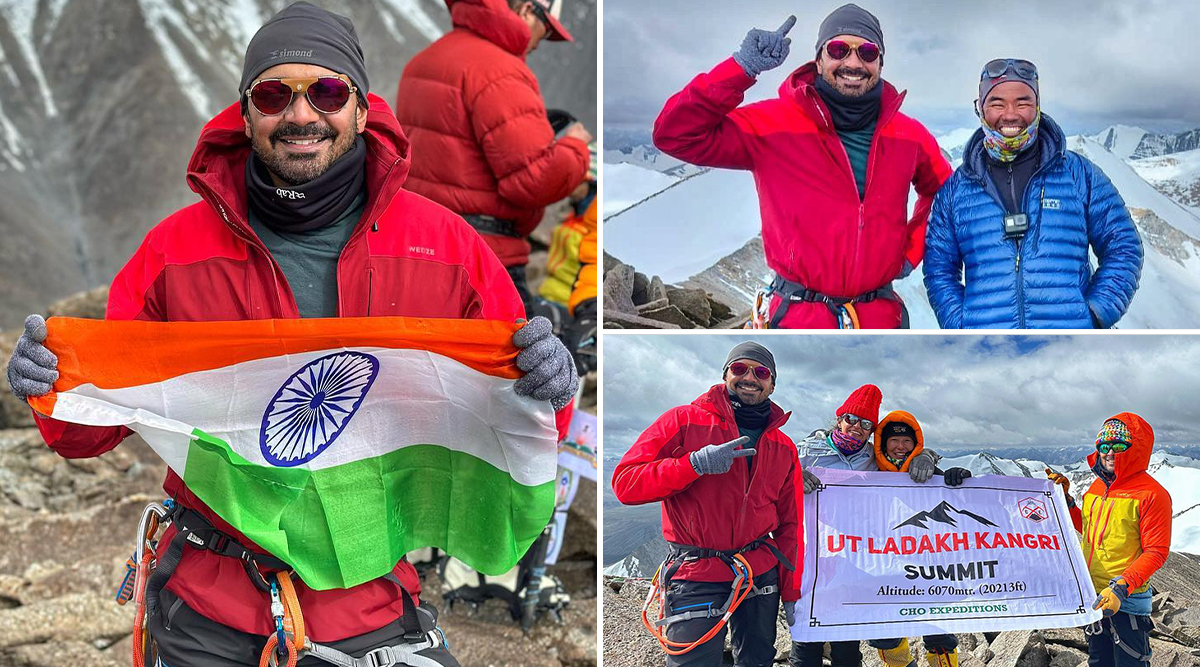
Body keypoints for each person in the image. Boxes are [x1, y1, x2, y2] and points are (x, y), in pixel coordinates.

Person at [4, 3, 578, 666]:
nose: (302, 115)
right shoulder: (172, 256)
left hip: (371, 599)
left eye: (328, 92)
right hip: (208, 606)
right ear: (246, 114)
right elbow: (89, 428)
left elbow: (524, 414)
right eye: (274, 95)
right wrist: (48, 381)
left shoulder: (447, 249)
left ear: (363, 108)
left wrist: (552, 385)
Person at [653, 4, 952, 329]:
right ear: (819, 58)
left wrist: (910, 252)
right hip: (797, 316)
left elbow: (946, 193)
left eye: (867, 52)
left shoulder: (910, 136)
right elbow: (675, 135)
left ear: (880, 62)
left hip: (881, 316)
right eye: (839, 49)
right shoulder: (772, 124)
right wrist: (742, 67)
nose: (853, 63)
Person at [395, 0, 592, 317]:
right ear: (528, 9)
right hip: (485, 257)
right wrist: (575, 146)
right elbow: (535, 181)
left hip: (419, 248)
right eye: (546, 27)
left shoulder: (422, 62)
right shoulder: (502, 70)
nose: (542, 40)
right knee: (518, 363)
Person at [612, 342, 800, 666]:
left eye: (761, 372)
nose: (750, 377)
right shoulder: (683, 421)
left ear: (772, 383)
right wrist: (693, 465)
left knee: (758, 660)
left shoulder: (784, 446)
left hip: (758, 573)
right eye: (740, 369)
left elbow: (790, 524)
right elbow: (626, 484)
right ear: (725, 374)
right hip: (696, 573)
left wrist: (792, 593)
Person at [923, 58, 1144, 328]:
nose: (1011, 114)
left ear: (1037, 106)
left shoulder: (1078, 175)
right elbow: (938, 269)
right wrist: (961, 324)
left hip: (1073, 348)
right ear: (980, 109)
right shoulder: (956, 191)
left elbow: (1124, 245)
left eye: (1023, 102)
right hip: (989, 350)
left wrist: (1096, 314)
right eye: (997, 103)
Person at [792, 396, 963, 667]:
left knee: (935, 624)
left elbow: (951, 491)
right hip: (833, 558)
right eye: (851, 419)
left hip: (916, 557)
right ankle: (901, 663)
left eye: (866, 423)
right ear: (840, 419)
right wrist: (792, 475)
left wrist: (933, 460)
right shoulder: (808, 452)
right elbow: (774, 474)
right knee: (875, 628)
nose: (857, 426)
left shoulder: (875, 459)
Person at [1046, 415, 1171, 667]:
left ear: (1135, 447)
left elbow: (1156, 551)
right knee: (1099, 661)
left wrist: (1121, 586)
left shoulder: (1152, 494)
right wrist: (1068, 501)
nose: (1110, 452)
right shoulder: (1096, 487)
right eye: (1104, 446)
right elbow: (1088, 529)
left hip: (1127, 598)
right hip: (1094, 597)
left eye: (1119, 445)